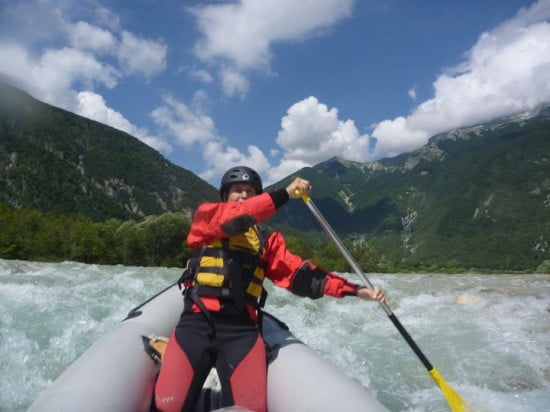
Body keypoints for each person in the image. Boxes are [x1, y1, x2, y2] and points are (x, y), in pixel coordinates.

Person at [154, 166, 387, 412]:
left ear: (258, 196)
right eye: (237, 191)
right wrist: (285, 193)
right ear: (226, 196)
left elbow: (301, 275)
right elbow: (237, 218)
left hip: (242, 331)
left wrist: (355, 290)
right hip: (196, 323)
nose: (243, 196)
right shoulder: (208, 216)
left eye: (249, 191)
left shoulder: (268, 241)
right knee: (168, 407)